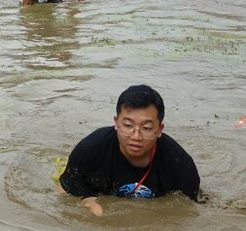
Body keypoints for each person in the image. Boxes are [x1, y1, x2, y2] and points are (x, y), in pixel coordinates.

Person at [59, 84, 200, 215]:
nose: (136, 136)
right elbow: (69, 186)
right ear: (116, 123)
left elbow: (191, 206)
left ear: (159, 129)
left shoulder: (180, 165)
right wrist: (88, 200)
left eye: (146, 128)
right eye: (128, 125)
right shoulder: (89, 151)